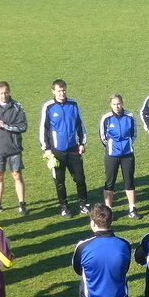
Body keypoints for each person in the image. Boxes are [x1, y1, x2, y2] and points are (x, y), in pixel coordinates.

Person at [39, 79, 90, 217]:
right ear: (53, 91)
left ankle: (83, 204)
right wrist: (47, 149)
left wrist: (82, 143)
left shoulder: (73, 104)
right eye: (59, 91)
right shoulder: (48, 107)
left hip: (73, 149)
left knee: (80, 178)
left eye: (63, 90)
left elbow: (80, 124)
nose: (62, 93)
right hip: (57, 151)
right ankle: (64, 206)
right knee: (60, 181)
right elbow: (43, 128)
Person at [0, 81, 29, 215]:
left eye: (6, 92)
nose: (4, 96)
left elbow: (23, 126)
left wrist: (5, 126)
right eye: (1, 93)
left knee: (17, 176)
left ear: (9, 91)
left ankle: (22, 204)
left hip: (14, 149)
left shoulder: (17, 107)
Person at [98, 94, 141, 219]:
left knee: (129, 181)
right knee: (110, 183)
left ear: (122, 103)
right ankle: (108, 211)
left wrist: (126, 145)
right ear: (110, 105)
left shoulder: (130, 116)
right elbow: (103, 137)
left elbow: (134, 134)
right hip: (111, 155)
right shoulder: (106, 118)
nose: (117, 106)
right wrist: (112, 146)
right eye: (114, 104)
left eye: (119, 103)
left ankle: (132, 208)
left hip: (127, 154)